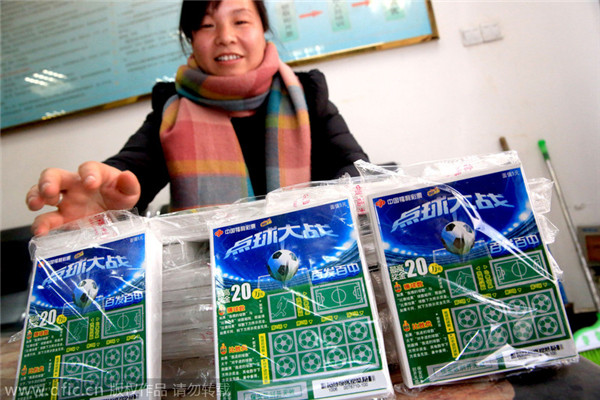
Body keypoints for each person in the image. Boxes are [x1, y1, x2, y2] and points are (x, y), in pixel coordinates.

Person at [26, 0, 369, 236]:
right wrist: (105, 199)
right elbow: (130, 173)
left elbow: (356, 170)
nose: (225, 37)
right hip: (212, 293)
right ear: (191, 39)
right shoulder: (171, 109)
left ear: (263, 28)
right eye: (206, 25)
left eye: (241, 20)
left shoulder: (307, 95)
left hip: (315, 264)